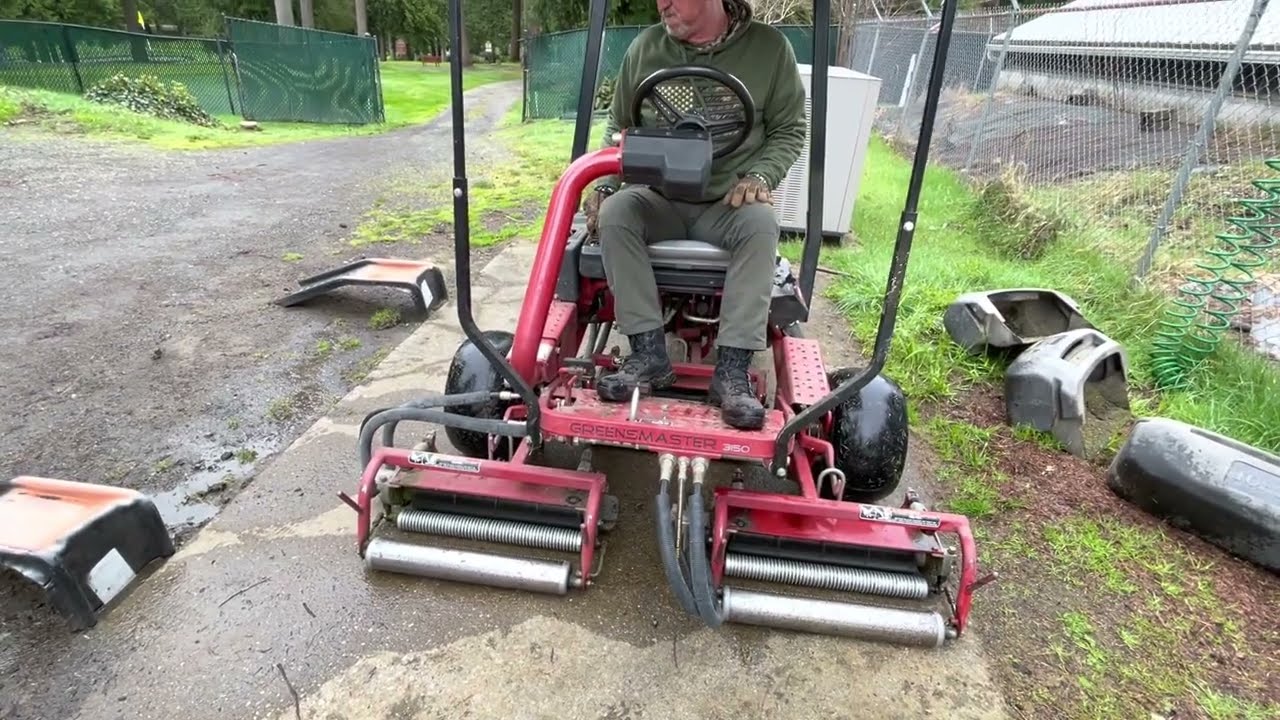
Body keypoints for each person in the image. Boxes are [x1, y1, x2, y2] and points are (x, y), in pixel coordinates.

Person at [581, 0, 807, 431]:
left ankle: (732, 372)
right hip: (659, 197)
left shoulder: (769, 51)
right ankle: (648, 354)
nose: (661, 3)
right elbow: (618, 124)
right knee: (617, 212)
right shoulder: (647, 49)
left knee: (761, 223)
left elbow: (789, 129)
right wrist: (607, 183)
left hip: (728, 201)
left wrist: (760, 174)